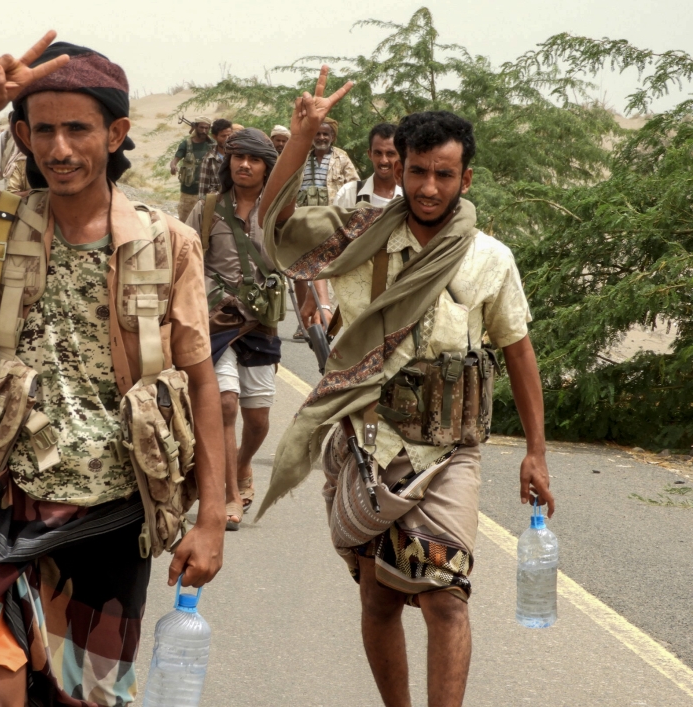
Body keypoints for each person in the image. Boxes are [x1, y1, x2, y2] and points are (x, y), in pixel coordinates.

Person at [0, 33, 226, 707]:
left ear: (116, 131)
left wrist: (211, 516)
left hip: (114, 514)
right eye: (43, 130)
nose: (60, 148)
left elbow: (201, 380)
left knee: (85, 698)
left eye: (78, 128)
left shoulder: (167, 243)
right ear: (21, 134)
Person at [257, 69, 555, 707]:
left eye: (444, 174)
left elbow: (518, 349)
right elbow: (273, 228)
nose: (428, 186)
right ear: (401, 167)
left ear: (465, 178)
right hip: (369, 442)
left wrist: (536, 449)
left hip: (451, 451)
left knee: (447, 597)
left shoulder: (489, 257)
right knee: (380, 594)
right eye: (418, 171)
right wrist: (299, 140)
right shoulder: (359, 233)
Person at [185, 128, 281, 531]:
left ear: (266, 167)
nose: (244, 165)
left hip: (260, 324)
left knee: (257, 419)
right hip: (216, 322)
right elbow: (185, 260)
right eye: (237, 157)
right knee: (224, 403)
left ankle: (242, 465)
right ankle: (227, 495)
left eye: (254, 159)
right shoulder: (207, 209)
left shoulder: (276, 212)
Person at [292, 117, 359, 338]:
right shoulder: (301, 158)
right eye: (318, 134)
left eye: (325, 134)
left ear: (333, 137)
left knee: (326, 272)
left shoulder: (341, 158)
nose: (321, 138)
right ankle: (305, 324)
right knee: (301, 273)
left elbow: (354, 187)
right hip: (303, 221)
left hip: (330, 223)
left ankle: (324, 318)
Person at [333, 123, 403, 208]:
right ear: (370, 154)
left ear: (401, 156)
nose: (384, 161)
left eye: (390, 154)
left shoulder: (408, 197)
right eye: (378, 153)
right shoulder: (349, 193)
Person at [170, 116, 213, 222]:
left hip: (207, 192)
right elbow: (175, 159)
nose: (204, 131)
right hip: (189, 192)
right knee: (186, 221)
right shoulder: (186, 144)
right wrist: (173, 166)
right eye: (201, 127)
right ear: (195, 127)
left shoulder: (212, 144)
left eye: (207, 128)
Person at [197, 118, 233, 201]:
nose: (227, 139)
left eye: (229, 135)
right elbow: (203, 189)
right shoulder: (209, 159)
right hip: (217, 204)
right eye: (223, 136)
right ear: (215, 137)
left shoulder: (238, 156)